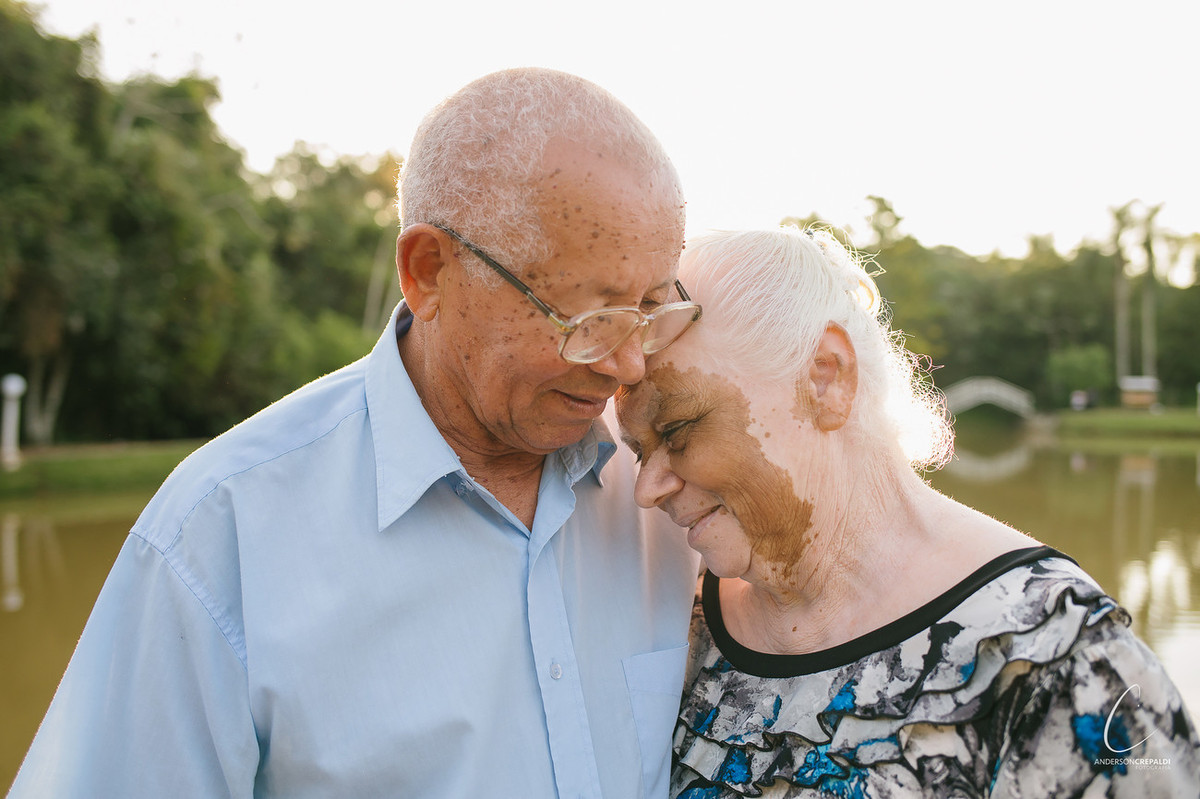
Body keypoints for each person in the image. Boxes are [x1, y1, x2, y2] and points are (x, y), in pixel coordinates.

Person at [11, 68, 702, 798]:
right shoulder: (218, 536)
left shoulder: (674, 490)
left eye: (651, 308)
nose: (626, 363)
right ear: (428, 272)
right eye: (588, 320)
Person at [616, 227, 1200, 798]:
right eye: (639, 450)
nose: (647, 489)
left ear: (826, 379)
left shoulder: (1054, 658)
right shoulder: (679, 620)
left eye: (679, 429)